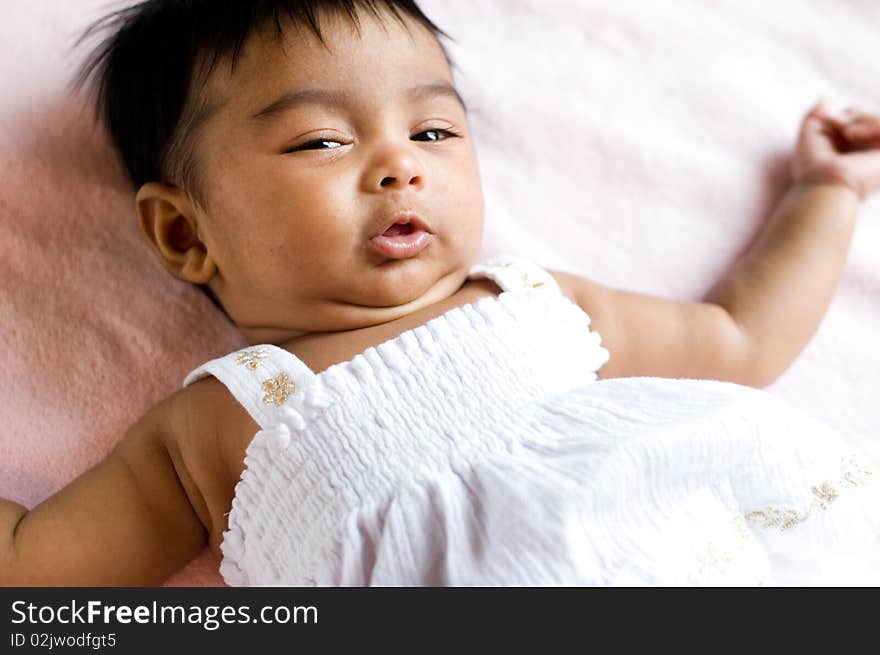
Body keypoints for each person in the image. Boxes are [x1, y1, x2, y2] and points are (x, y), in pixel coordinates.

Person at [2, 0, 879, 586]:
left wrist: (826, 193)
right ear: (187, 234)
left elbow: (739, 337)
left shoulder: (533, 302)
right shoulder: (213, 426)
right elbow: (35, 570)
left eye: (433, 129)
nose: (400, 163)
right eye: (320, 141)